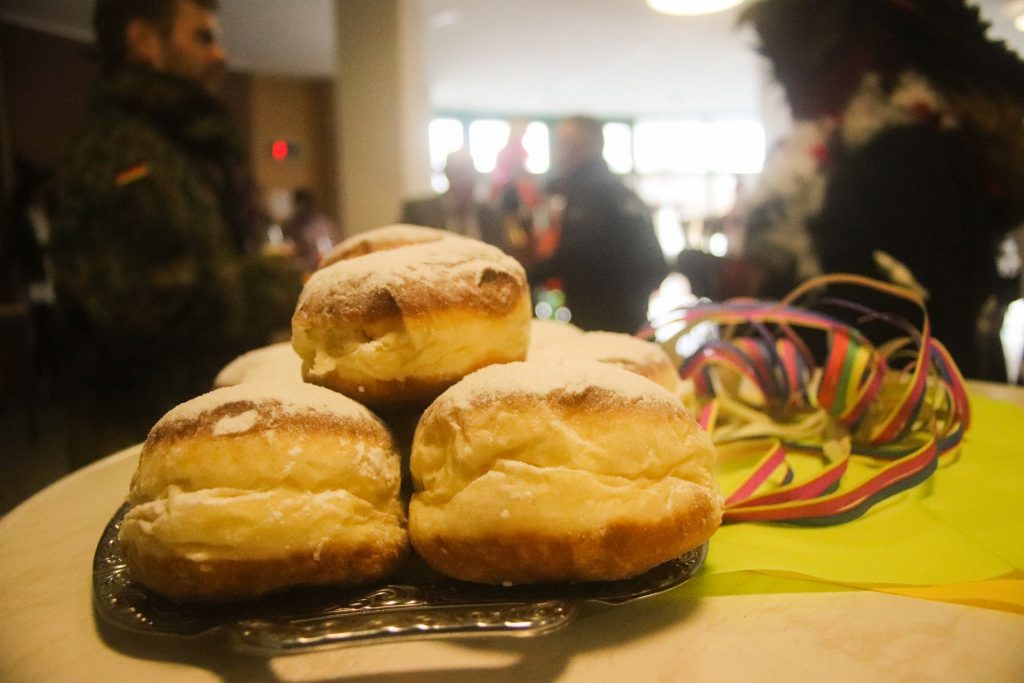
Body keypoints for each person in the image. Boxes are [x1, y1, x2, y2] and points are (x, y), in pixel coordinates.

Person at [49, 0, 300, 466]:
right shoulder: (118, 155)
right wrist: (282, 284)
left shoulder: (180, 146)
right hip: (135, 432)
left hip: (193, 413)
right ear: (145, 41)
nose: (221, 56)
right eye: (202, 37)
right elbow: (142, 304)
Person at [739, 0, 1024, 379]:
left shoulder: (904, 160)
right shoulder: (863, 151)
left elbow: (889, 331)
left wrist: (762, 314)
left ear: (861, 52)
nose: (787, 92)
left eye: (787, 67)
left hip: (913, 412)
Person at [526, 115, 668, 334]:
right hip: (630, 313)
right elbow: (657, 263)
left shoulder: (589, 193)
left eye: (560, 143)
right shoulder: (619, 190)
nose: (556, 152)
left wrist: (524, 275)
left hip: (603, 318)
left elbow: (575, 254)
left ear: (578, 147)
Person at [400, 148, 509, 251]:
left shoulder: (490, 213)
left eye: (469, 172)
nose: (465, 180)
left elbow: (502, 255)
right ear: (447, 174)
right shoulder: (418, 212)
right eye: (459, 172)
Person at [284, 188, 342, 271]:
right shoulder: (291, 224)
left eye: (305, 205)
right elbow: (289, 249)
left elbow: (331, 250)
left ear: (311, 205)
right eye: (299, 205)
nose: (302, 209)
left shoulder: (323, 224)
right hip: (298, 269)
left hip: (321, 267)